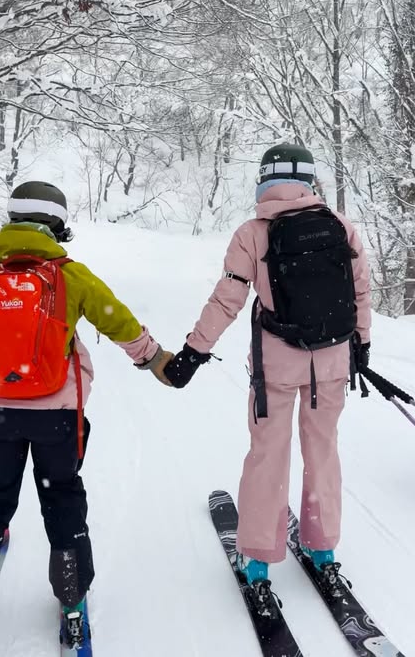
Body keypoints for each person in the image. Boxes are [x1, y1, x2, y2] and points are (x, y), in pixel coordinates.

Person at [0, 181, 173, 648]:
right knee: (62, 496)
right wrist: (153, 358)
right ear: (57, 225)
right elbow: (117, 319)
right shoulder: (71, 276)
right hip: (57, 418)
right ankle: (70, 593)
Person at [163, 143, 371, 616]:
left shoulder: (253, 234)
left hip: (276, 367)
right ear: (310, 180)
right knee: (323, 451)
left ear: (264, 180)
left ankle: (257, 560)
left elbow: (227, 301)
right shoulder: (341, 227)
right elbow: (361, 289)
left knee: (267, 457)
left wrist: (194, 352)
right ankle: (323, 549)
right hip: (333, 363)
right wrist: (362, 342)